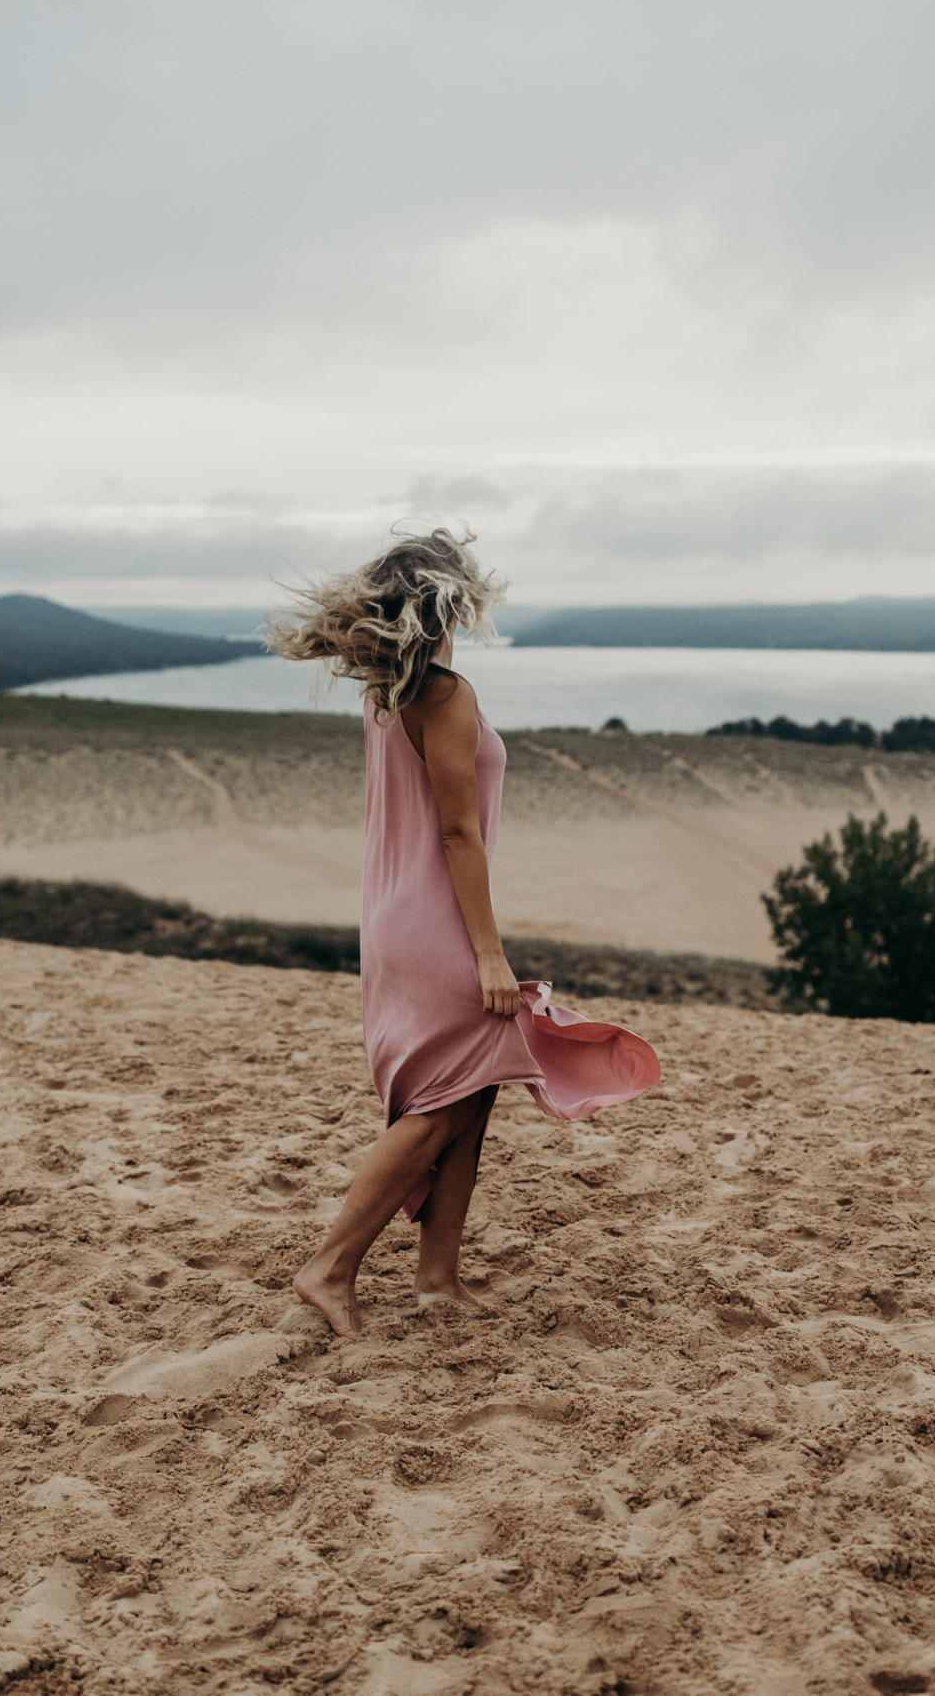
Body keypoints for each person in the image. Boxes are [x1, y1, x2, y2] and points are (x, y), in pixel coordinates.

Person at [266, 526, 658, 1338]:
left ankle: (438, 1277)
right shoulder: (445, 694)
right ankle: (330, 1265)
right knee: (441, 1107)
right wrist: (489, 951)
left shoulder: (385, 693)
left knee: (472, 1096)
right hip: (438, 924)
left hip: (398, 917)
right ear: (450, 601)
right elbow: (458, 834)